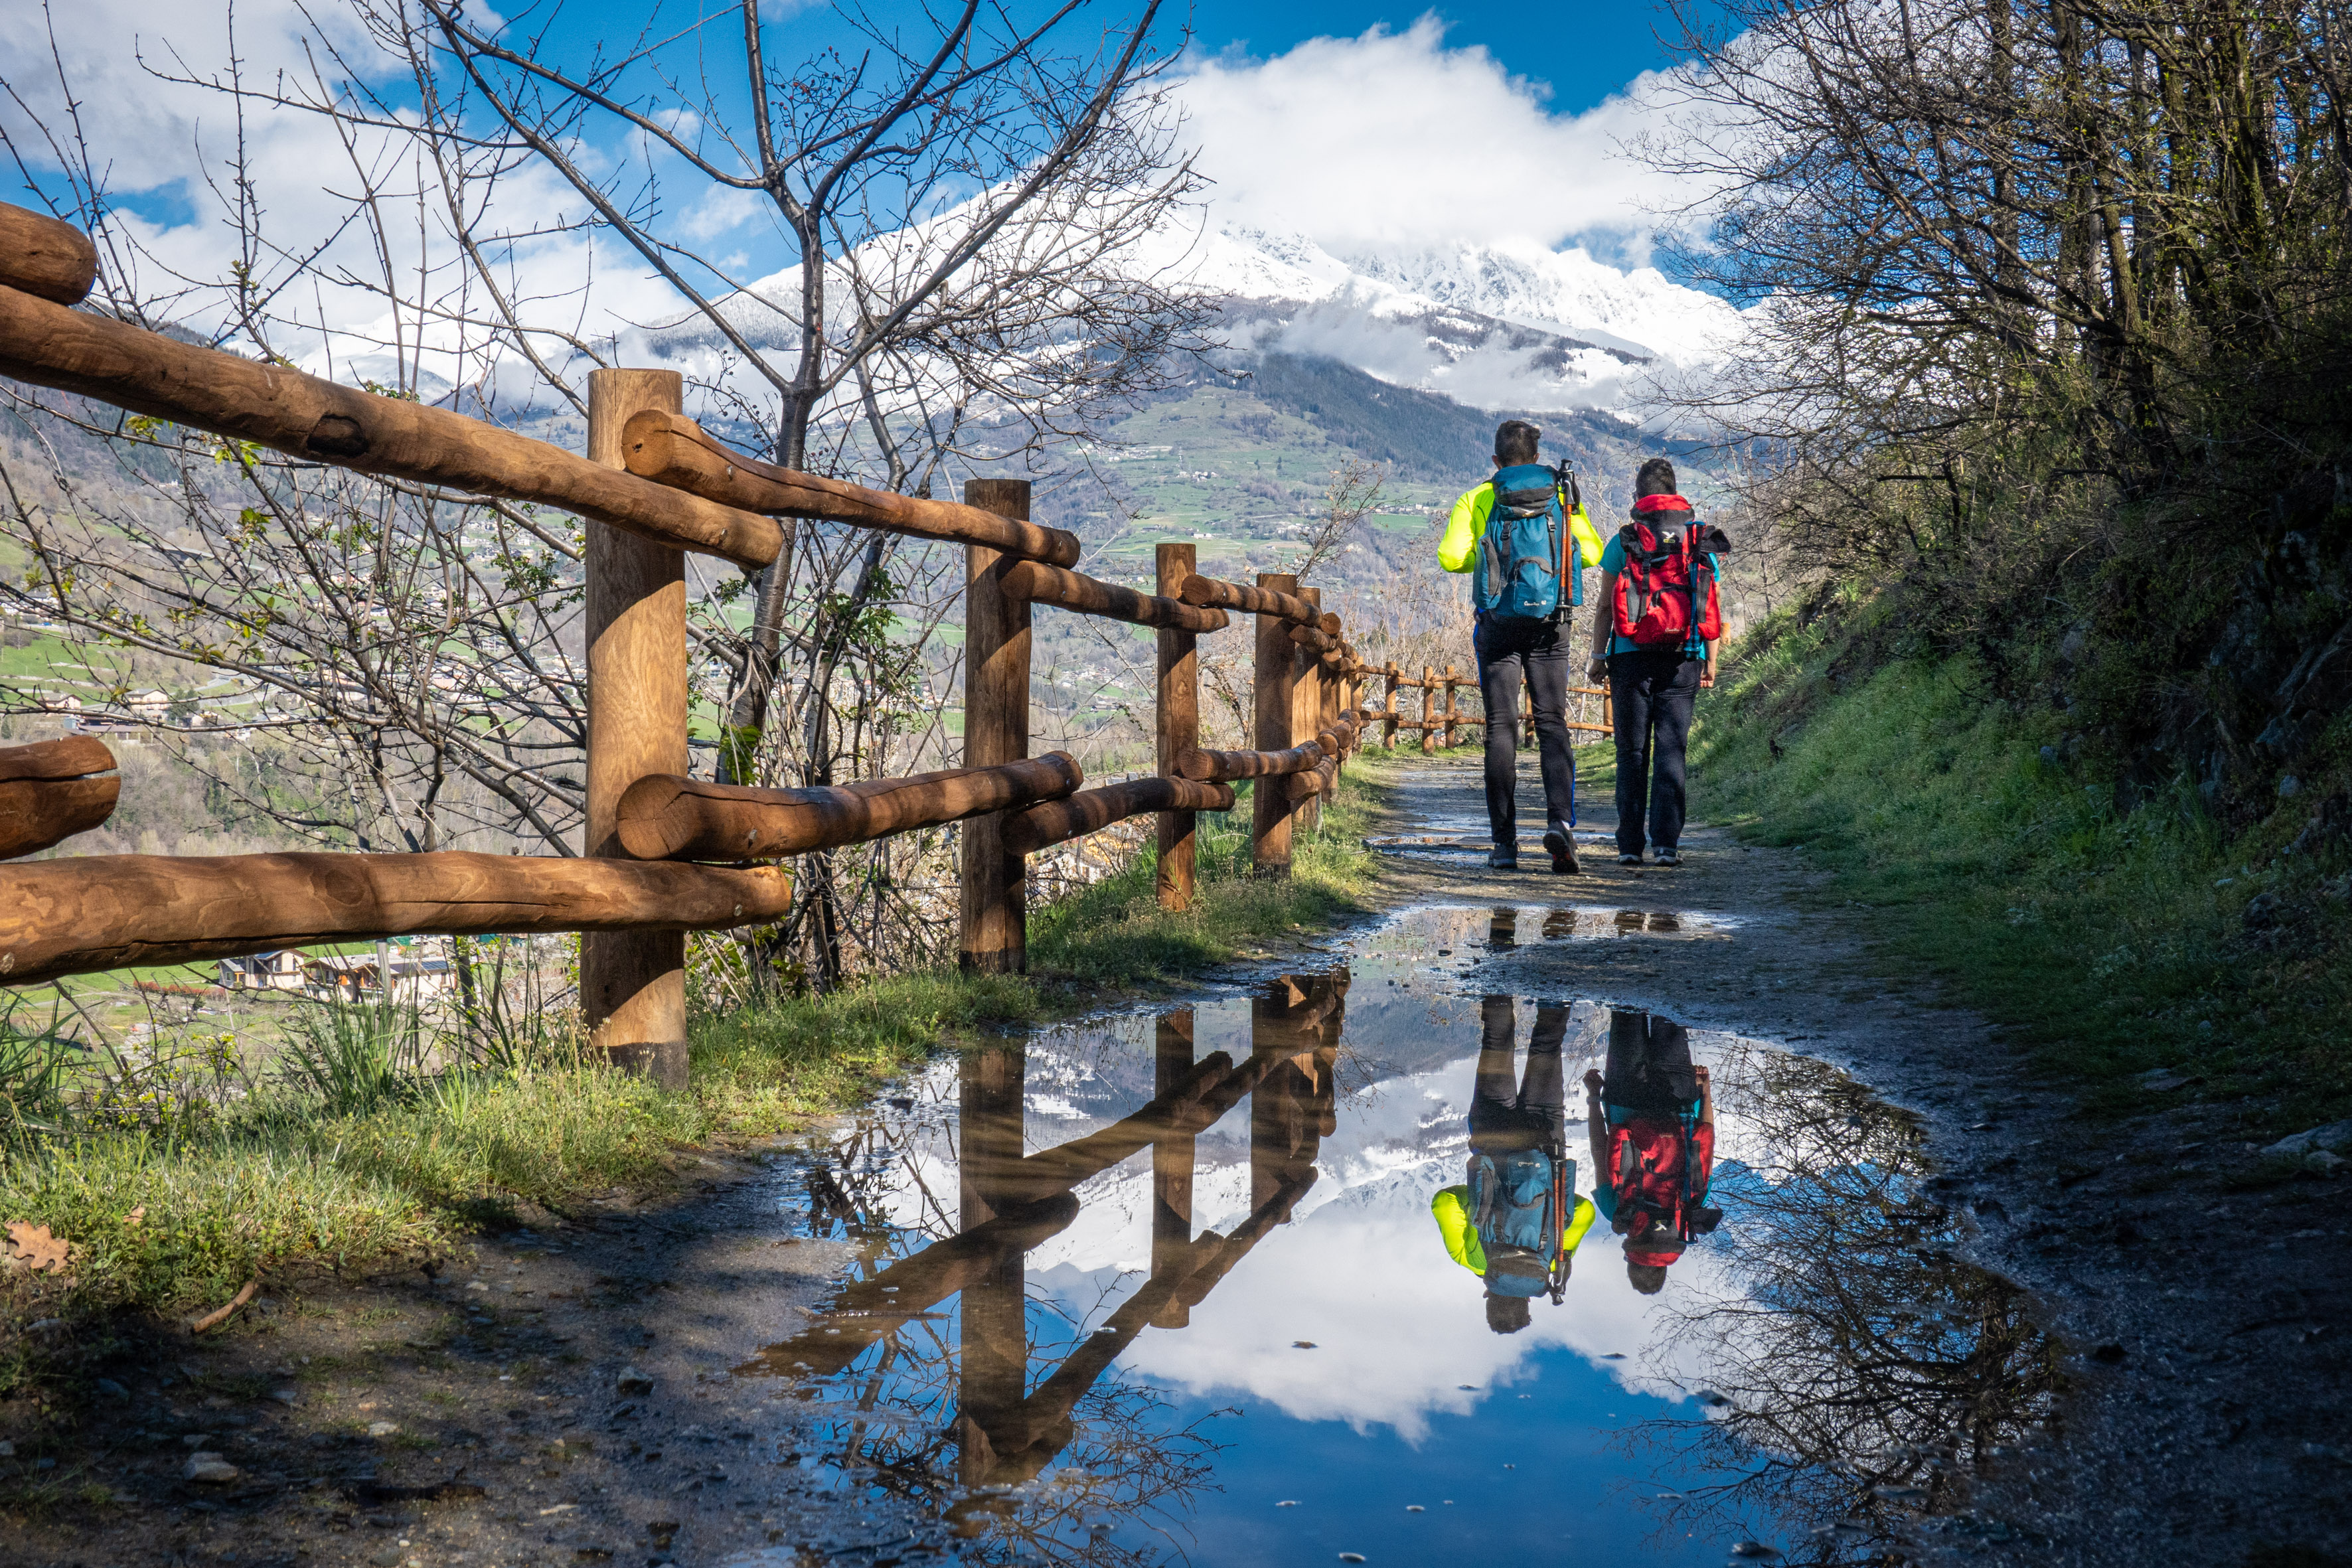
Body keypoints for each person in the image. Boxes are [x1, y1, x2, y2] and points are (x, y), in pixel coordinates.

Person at [1440, 420, 1605, 872]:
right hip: (1551, 623)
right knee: (1552, 723)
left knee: (1500, 726)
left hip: (1497, 622)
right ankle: (1560, 825)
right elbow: (1591, 553)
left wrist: (1489, 560)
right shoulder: (1560, 494)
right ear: (1535, 458)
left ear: (1496, 461)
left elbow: (1451, 557)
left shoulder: (1478, 496)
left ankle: (1503, 844)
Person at [1585, 457, 1726, 868]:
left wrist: (1598, 656)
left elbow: (1604, 608)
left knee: (1631, 752)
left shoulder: (1627, 539)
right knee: (1672, 750)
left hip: (1630, 656)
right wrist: (1711, 660)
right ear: (1676, 491)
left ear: (1639, 496)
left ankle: (1630, 846)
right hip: (1685, 656)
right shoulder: (1699, 538)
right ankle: (1666, 845)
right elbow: (1709, 602)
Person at [1431, 996, 1598, 1332]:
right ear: (1489, 1296)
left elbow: (1583, 1211)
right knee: (1496, 1042)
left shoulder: (1553, 1261)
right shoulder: (1472, 1259)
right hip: (1493, 1139)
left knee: (1548, 1048)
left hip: (1545, 1145)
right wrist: (1484, 1194)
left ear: (1527, 1303)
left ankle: (1558, 958)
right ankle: (1499, 956)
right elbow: (1444, 1202)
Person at [1583, 1009, 1720, 1295]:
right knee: (1626, 1012)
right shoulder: (1618, 1214)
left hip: (1680, 1098)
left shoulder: (1689, 1213)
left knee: (1668, 1013)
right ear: (1631, 1260)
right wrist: (1594, 1096)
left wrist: (1705, 1091)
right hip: (1625, 1099)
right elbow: (1599, 1150)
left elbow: (1704, 1146)